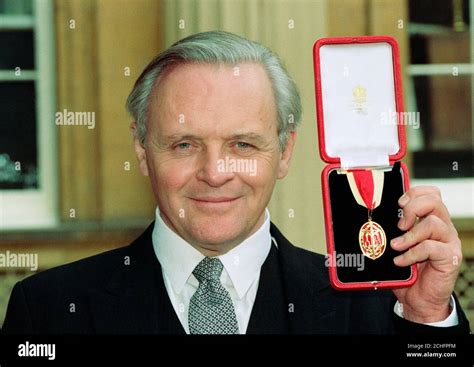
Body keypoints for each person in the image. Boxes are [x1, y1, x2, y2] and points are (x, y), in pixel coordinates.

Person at [2, 31, 470, 334]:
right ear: (143, 151)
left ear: (284, 151)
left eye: (243, 145)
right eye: (184, 144)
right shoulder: (47, 313)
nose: (215, 172)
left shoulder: (372, 307)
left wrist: (427, 318)